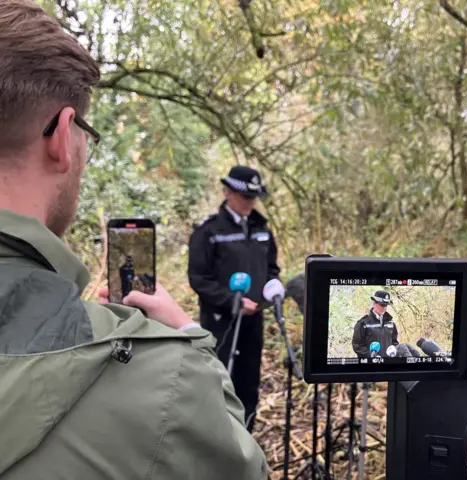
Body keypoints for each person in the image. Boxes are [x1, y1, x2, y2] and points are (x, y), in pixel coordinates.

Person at [0, 1, 267, 478]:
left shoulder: (261, 227)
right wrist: (190, 343)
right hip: (216, 324)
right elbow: (239, 465)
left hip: (250, 327)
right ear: (64, 135)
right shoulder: (169, 380)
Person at [188, 165, 281, 432]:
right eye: (244, 197)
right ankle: (219, 438)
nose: (250, 203)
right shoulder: (209, 231)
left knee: (249, 381)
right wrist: (232, 301)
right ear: (228, 192)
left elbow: (271, 268)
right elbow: (199, 278)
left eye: (253, 198)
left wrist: (270, 291)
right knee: (220, 380)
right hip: (221, 321)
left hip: (254, 319)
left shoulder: (261, 228)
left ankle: (246, 437)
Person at [352, 290, 399, 358]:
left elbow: (394, 342)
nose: (385, 308)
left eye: (386, 305)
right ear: (374, 303)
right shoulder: (363, 323)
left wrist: (394, 352)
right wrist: (371, 356)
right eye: (382, 305)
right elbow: (357, 346)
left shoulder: (391, 323)